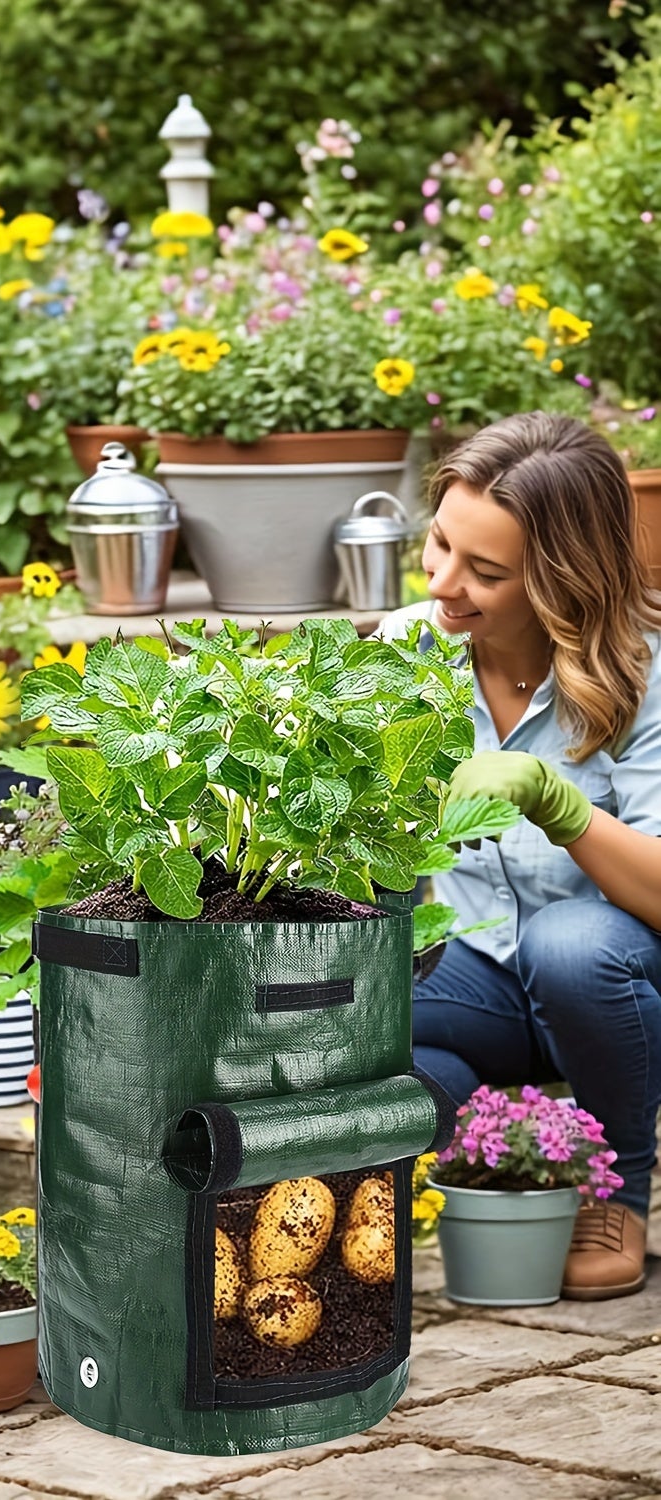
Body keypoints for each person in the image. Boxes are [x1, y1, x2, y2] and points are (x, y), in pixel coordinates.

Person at [379, 411, 661, 1300]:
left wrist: (560, 804)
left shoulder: (642, 674)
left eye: (486, 572)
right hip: (482, 986)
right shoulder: (408, 655)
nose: (446, 584)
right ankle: (494, 1153)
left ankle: (618, 1185)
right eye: (440, 546)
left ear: (564, 579)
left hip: (618, 986)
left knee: (571, 945)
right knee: (368, 997)